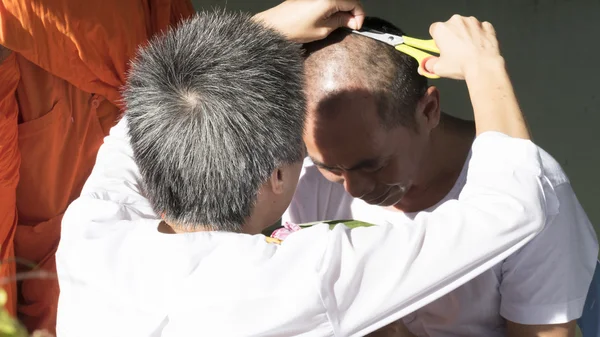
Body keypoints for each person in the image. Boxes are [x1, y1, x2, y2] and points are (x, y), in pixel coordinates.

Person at [57, 10, 553, 337]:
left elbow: (141, 120)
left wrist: (270, 25)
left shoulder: (90, 233)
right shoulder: (304, 276)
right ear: (276, 175)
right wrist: (485, 66)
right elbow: (515, 207)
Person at [0, 0, 365, 333]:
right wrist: (251, 38)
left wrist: (247, 43)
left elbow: (149, 122)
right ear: (279, 175)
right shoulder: (298, 281)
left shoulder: (91, 228)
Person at [283, 16, 599, 336]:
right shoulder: (300, 181)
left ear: (429, 110)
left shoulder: (533, 190)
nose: (353, 188)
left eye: (373, 165)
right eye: (331, 167)